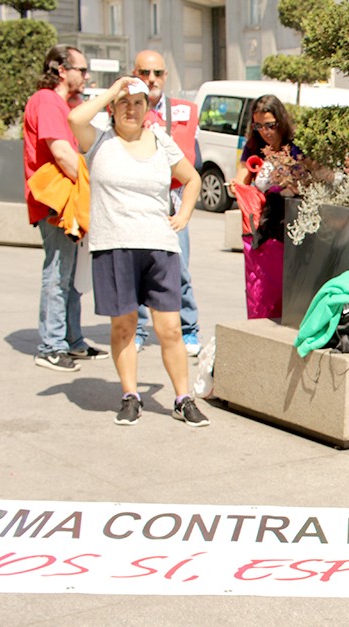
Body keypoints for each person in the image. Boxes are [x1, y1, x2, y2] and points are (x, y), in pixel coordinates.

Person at [66, 76, 207, 427]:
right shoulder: (99, 141)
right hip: (113, 245)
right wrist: (114, 90)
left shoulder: (161, 141)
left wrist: (184, 214)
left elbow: (192, 179)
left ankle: (182, 398)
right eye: (124, 103)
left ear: (147, 109)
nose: (131, 109)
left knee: (170, 328)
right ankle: (130, 395)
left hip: (159, 246)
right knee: (124, 326)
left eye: (139, 103)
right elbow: (74, 120)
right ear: (113, 109)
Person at [24, 44, 109, 372]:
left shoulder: (60, 103)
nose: (86, 76)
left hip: (67, 201)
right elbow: (61, 153)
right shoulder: (46, 100)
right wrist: (98, 185)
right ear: (62, 70)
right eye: (82, 70)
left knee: (72, 275)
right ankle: (51, 345)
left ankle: (71, 341)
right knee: (59, 272)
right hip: (55, 202)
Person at [131, 50, 203, 357]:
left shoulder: (184, 111)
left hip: (172, 200)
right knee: (134, 268)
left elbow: (192, 161)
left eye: (157, 73)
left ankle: (188, 330)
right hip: (137, 200)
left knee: (180, 269)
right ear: (135, 74)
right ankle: (136, 329)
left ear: (165, 76)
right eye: (145, 73)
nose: (151, 79)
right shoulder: (126, 111)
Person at [233, 94, 302, 319]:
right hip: (262, 230)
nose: (265, 131)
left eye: (270, 125)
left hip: (291, 226)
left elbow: (312, 182)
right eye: (259, 126)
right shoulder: (254, 147)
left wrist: (289, 180)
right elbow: (240, 180)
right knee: (261, 291)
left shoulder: (295, 147)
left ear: (281, 120)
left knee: (288, 293)